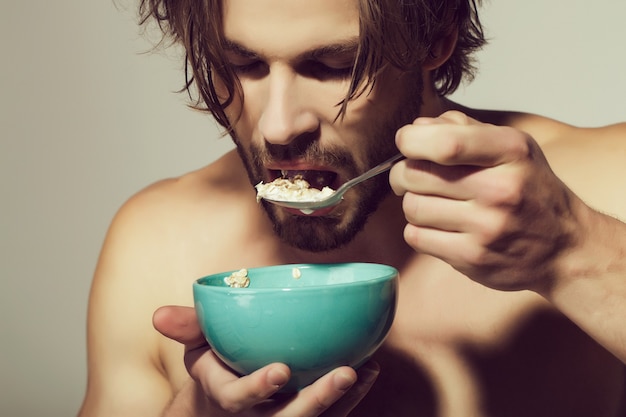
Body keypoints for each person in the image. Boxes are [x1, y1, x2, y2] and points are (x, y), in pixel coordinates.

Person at [78, 0, 626, 416]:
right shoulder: (157, 241)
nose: (277, 125)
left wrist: (574, 249)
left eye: (333, 65)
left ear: (433, 38)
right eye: (241, 64)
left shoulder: (605, 183)